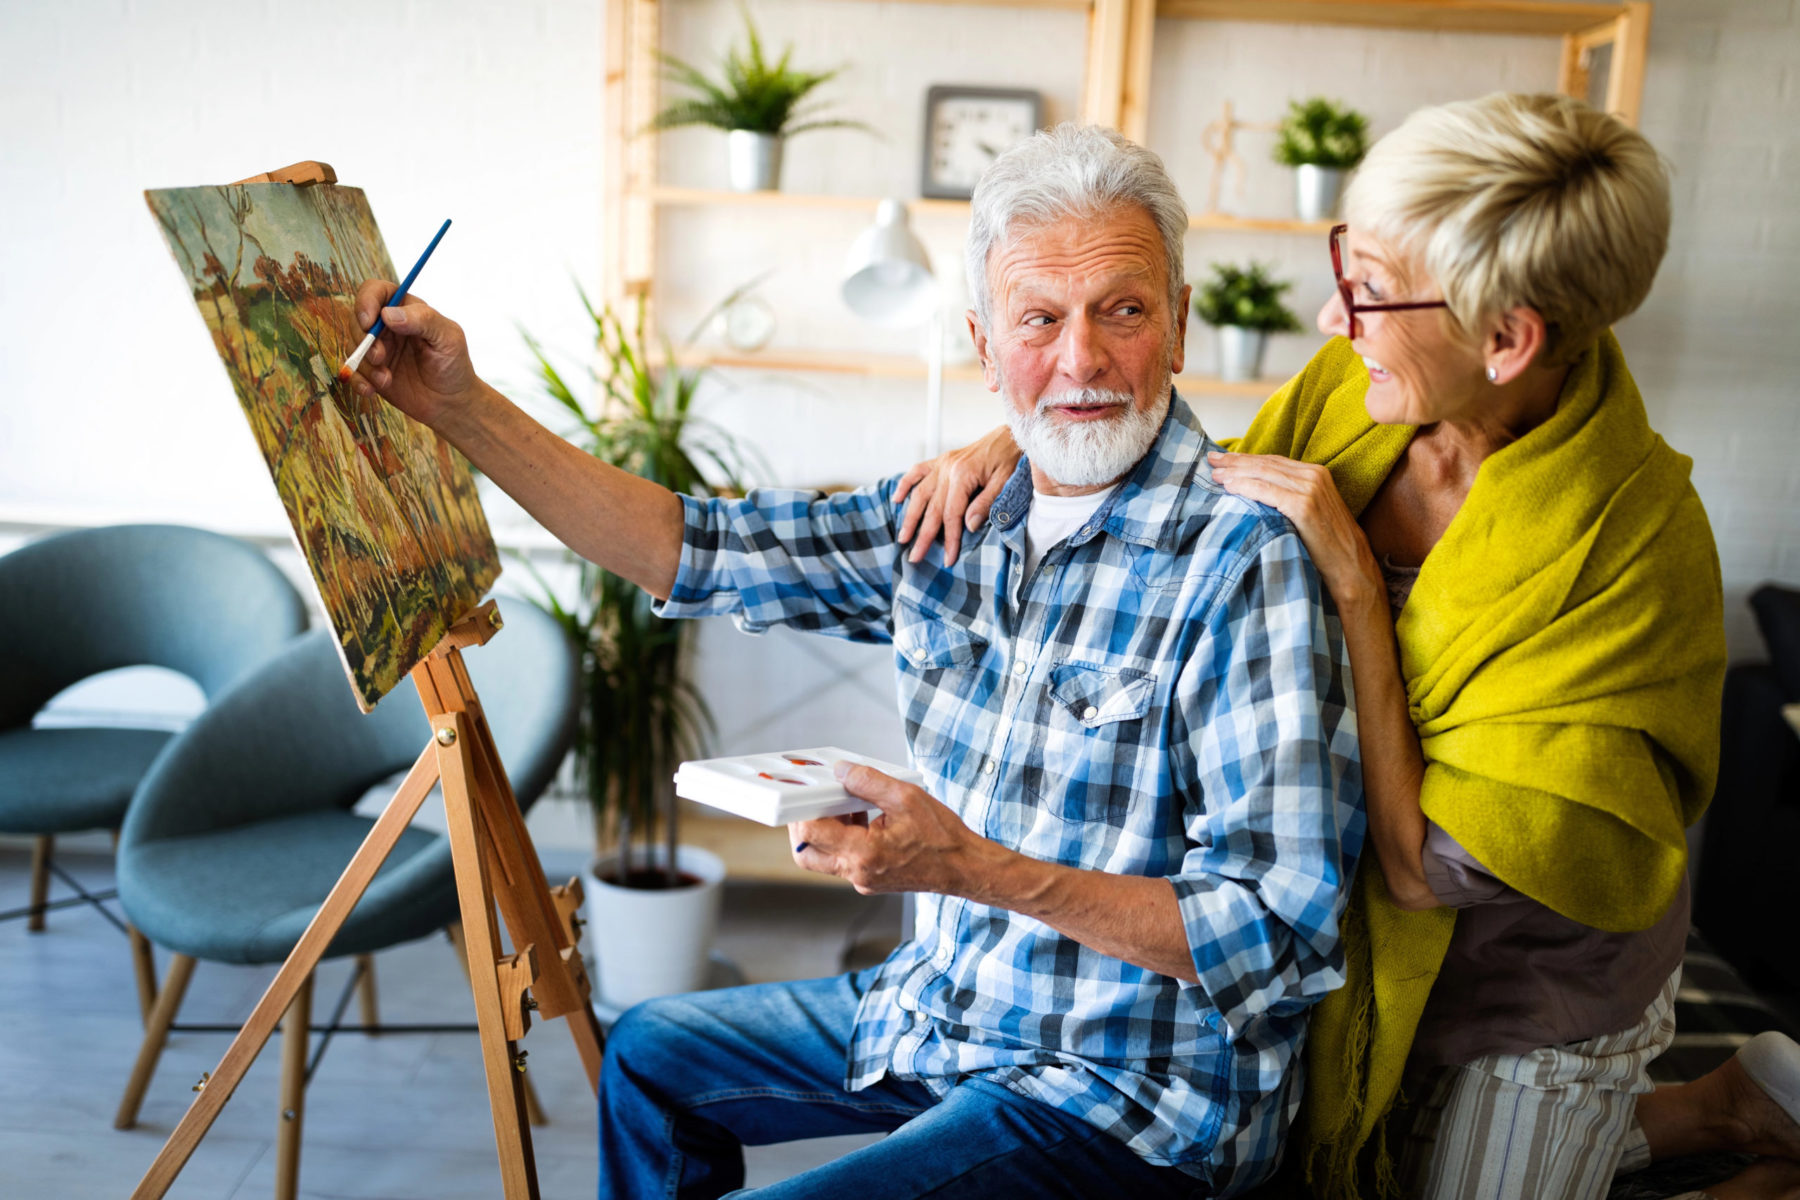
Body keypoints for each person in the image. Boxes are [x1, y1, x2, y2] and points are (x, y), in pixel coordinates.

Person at [346, 124, 1365, 1199]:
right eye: (1040, 319)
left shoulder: (1242, 561)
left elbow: (1278, 934)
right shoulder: (954, 514)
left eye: (1123, 310)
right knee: (646, 1055)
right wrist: (458, 406)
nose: (1081, 359)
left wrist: (972, 870)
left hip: (1129, 1097)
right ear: (984, 345)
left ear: (1180, 324)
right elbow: (693, 547)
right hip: (951, 1012)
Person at [894, 92, 1800, 1200]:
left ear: (1507, 341)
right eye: (1347, 262)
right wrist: (1021, 432)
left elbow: (1418, 873)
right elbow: (1186, 481)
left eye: (1370, 287)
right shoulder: (1360, 388)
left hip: (1529, 972)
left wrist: (1360, 592)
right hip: (1353, 919)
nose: (1334, 313)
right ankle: (1719, 1109)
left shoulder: (1634, 549)